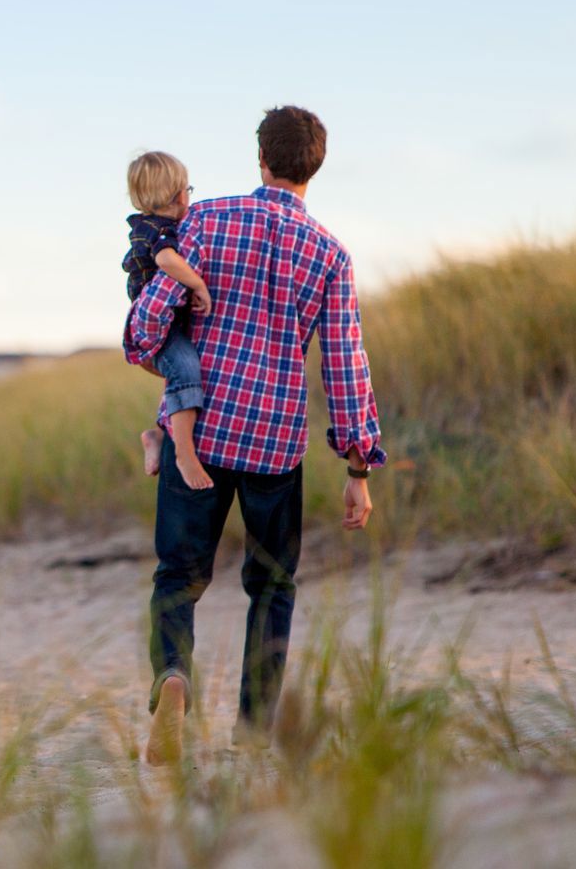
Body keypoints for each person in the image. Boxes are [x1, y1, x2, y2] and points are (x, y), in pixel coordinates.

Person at [123, 105, 385, 765]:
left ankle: (173, 677)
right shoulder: (331, 254)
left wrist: (155, 354)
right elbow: (345, 362)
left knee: (177, 578)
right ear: (314, 167)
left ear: (260, 158)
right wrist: (357, 470)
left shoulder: (205, 219)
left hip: (201, 432)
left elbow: (148, 321)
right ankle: (254, 731)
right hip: (275, 442)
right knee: (272, 587)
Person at [122, 151, 216, 490]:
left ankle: (158, 435)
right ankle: (184, 454)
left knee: (182, 374)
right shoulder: (157, 230)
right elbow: (166, 261)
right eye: (188, 189)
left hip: (166, 322)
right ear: (178, 195)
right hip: (157, 327)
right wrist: (198, 283)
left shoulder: (150, 225)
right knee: (186, 368)